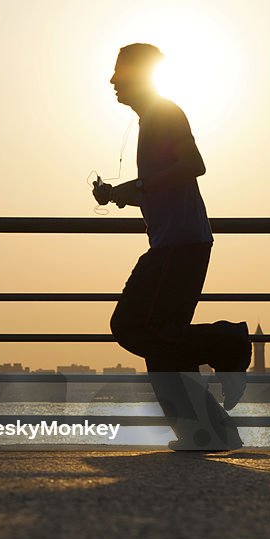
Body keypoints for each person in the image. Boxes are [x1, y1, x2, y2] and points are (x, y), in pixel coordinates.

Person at [93, 43, 252, 451]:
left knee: (132, 326)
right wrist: (120, 193)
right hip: (179, 242)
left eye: (120, 73)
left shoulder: (164, 113)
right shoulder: (153, 119)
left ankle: (228, 342)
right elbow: (164, 181)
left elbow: (193, 165)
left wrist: (140, 186)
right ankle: (207, 433)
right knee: (162, 338)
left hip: (178, 245)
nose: (112, 82)